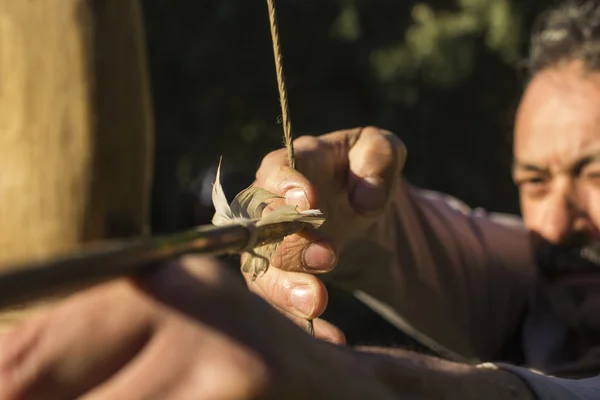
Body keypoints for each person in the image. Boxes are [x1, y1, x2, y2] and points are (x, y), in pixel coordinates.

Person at [2, 1, 600, 398]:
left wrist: (346, 382)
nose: (557, 221)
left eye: (595, 174)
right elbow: (419, 239)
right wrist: (351, 211)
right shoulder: (551, 276)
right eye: (534, 183)